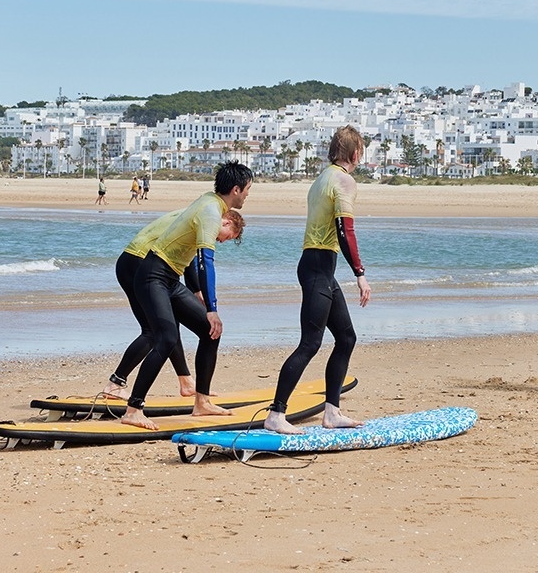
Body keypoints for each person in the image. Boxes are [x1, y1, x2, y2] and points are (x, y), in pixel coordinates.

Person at [119, 160, 253, 430]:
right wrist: (212, 307)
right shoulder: (210, 211)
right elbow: (205, 261)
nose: (249, 194)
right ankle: (133, 409)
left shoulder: (212, 203)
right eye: (248, 189)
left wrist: (208, 311)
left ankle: (201, 402)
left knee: (210, 331)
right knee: (166, 338)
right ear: (236, 189)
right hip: (153, 275)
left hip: (169, 278)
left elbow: (195, 262)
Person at [264, 126, 371, 435]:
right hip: (318, 269)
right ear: (355, 154)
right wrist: (360, 275)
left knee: (346, 338)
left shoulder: (321, 179)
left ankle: (332, 411)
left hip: (319, 268)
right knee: (310, 343)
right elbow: (345, 230)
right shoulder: (344, 181)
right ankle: (276, 413)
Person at [104, 208, 246, 400]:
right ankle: (115, 383)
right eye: (228, 237)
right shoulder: (207, 217)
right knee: (154, 332)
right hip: (140, 263)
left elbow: (186, 253)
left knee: (168, 325)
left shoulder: (201, 214)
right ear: (227, 222)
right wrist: (197, 289)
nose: (222, 241)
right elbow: (194, 256)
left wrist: (195, 289)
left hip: (149, 268)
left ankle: (186, 382)